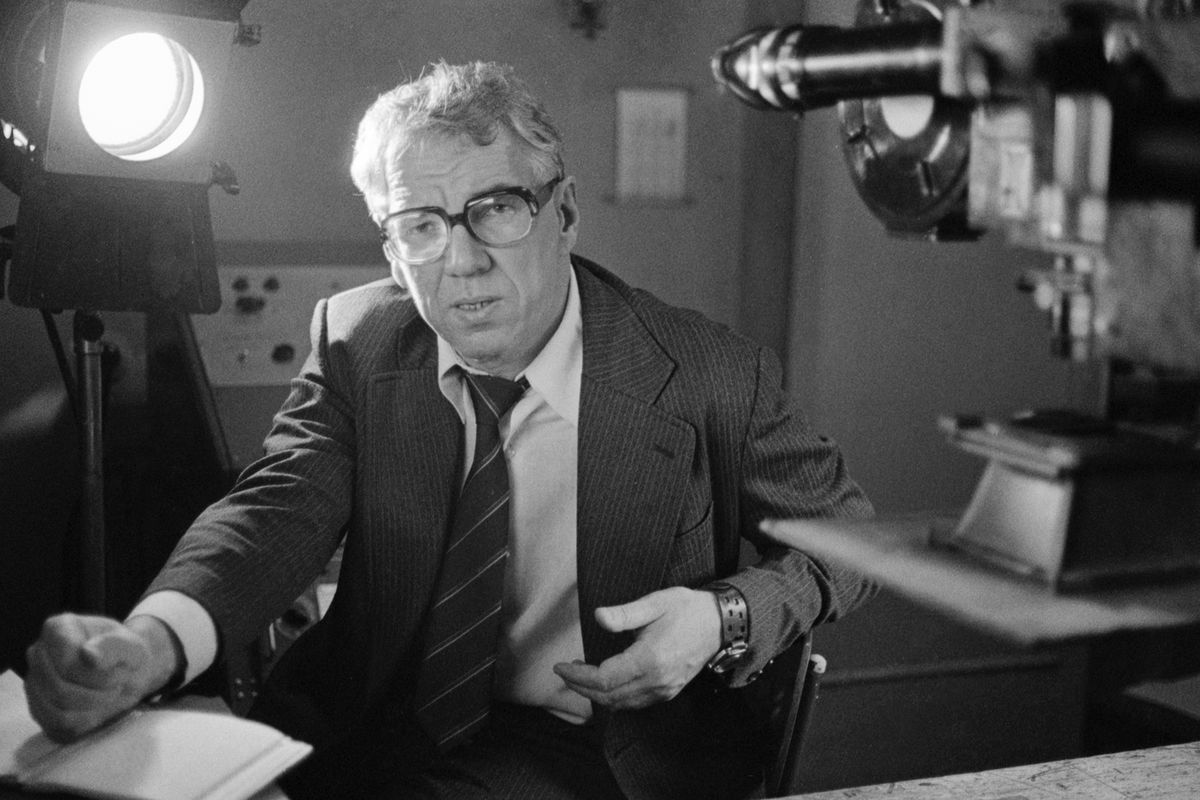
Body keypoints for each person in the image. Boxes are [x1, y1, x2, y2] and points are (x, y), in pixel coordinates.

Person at [23, 61, 875, 799]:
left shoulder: (709, 372)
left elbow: (850, 543)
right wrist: (151, 642)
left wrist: (724, 617)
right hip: (365, 727)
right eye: (421, 226)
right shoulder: (358, 342)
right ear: (392, 253)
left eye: (496, 208)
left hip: (594, 750)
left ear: (565, 212)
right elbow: (275, 513)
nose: (462, 261)